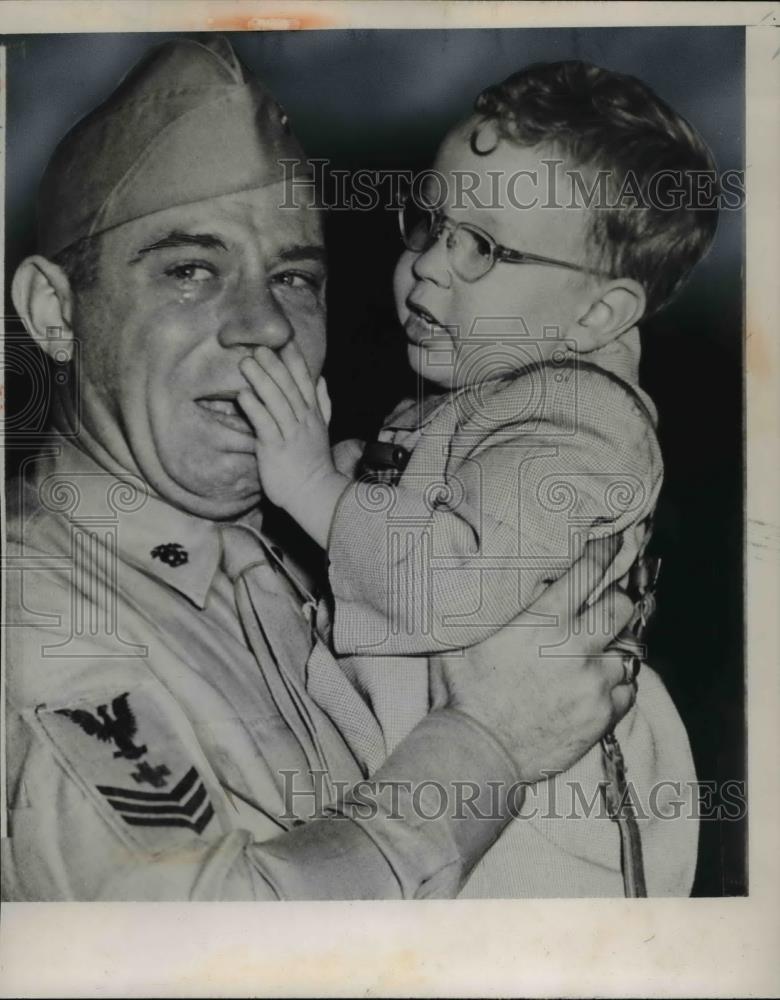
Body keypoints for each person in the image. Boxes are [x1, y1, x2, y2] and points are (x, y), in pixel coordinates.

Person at [3, 36, 657, 901]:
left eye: (295, 279)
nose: (265, 327)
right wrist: (488, 744)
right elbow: (201, 949)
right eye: (191, 271)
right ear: (56, 312)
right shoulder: (40, 612)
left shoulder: (282, 553)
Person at [235, 61, 707, 894]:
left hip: (550, 830)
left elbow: (450, 578)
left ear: (597, 316)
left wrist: (312, 484)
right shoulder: (491, 396)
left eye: (482, 246)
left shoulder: (582, 422)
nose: (428, 266)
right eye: (430, 222)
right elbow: (418, 498)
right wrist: (340, 470)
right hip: (462, 782)